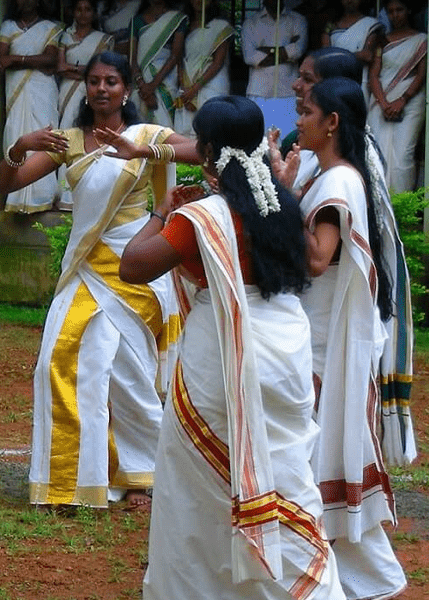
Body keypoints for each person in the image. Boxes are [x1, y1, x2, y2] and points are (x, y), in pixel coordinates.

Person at [119, 94, 345, 600]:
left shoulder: (204, 215)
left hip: (220, 359)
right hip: (284, 353)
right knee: (283, 477)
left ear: (207, 149)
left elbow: (132, 266)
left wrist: (161, 210)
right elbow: (306, 266)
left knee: (198, 485)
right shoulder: (283, 206)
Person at [0, 51, 194, 511]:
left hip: (135, 268)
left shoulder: (146, 136)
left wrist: (142, 151)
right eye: (94, 81)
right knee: (55, 362)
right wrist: (20, 145)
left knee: (128, 374)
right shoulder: (66, 142)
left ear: (126, 88)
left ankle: (142, 477)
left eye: (111, 81)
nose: (101, 89)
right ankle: (70, 477)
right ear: (85, 88)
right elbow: (9, 183)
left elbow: (200, 150)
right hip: (86, 269)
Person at [297, 76, 407, 600]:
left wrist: (274, 195)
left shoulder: (338, 183)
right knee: (314, 454)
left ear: (332, 123)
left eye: (306, 111)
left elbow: (317, 258)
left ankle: (365, 576)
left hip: (323, 334)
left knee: (315, 451)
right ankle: (352, 574)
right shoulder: (331, 176)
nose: (298, 120)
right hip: (319, 328)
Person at [0, 0, 61, 213]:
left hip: (42, 90)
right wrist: (32, 61)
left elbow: (50, 59)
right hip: (16, 91)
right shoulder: (7, 27)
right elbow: (0, 60)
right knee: (17, 134)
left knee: (45, 137)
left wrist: (16, 59)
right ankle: (16, 199)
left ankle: (43, 197)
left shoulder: (51, 27)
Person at [55, 0, 110, 209]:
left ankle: (85, 191)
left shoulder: (103, 40)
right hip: (67, 92)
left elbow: (100, 70)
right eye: (79, 9)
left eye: (88, 9)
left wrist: (78, 71)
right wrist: (85, 72)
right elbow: (59, 67)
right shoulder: (65, 37)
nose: (83, 14)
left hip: (91, 92)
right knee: (67, 135)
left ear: (94, 14)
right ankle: (64, 193)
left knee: (89, 135)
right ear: (73, 12)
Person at [367, 0, 426, 194]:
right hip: (381, 98)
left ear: (409, 10)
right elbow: (374, 75)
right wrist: (384, 103)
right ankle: (378, 203)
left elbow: (421, 74)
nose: (395, 15)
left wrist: (403, 100)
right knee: (376, 152)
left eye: (399, 10)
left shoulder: (421, 40)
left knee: (403, 156)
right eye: (391, 11)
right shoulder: (382, 40)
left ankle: (402, 205)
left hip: (410, 100)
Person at [242, 0, 307, 141]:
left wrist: (264, 51)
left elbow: (298, 51)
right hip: (259, 91)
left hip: (289, 92)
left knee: (288, 142)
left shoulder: (298, 20)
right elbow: (250, 57)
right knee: (260, 144)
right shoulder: (251, 23)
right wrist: (286, 49)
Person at [173, 0, 231, 137]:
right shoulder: (183, 25)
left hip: (212, 84)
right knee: (186, 135)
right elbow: (178, 58)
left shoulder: (221, 27)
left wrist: (194, 90)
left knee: (211, 131)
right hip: (187, 82)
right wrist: (185, 88)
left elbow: (218, 62)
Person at [128, 0, 186, 129]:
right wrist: (142, 85)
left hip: (167, 81)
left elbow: (175, 55)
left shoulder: (177, 19)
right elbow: (132, 58)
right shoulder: (136, 21)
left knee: (166, 132)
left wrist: (152, 86)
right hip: (140, 83)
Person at [322, 0, 381, 97]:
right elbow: (325, 57)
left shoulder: (370, 24)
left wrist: (336, 57)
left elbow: (367, 55)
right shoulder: (331, 27)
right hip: (335, 83)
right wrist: (353, 55)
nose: (350, 0)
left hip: (359, 82)